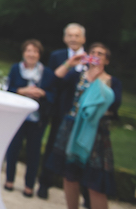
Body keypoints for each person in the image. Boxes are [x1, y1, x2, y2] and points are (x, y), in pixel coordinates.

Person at [46, 42, 122, 209]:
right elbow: (54, 81)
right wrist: (71, 63)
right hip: (71, 127)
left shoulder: (111, 82)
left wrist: (96, 81)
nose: (96, 55)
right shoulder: (78, 75)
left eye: (100, 53)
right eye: (93, 52)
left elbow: (114, 104)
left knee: (95, 182)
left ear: (107, 60)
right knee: (70, 175)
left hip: (96, 133)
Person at [37, 22, 87, 199]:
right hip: (61, 109)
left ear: (83, 39)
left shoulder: (90, 59)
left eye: (77, 35)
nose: (73, 39)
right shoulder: (57, 56)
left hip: (82, 113)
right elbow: (51, 82)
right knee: (52, 146)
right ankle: (44, 183)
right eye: (70, 35)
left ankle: (85, 193)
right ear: (65, 38)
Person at [3, 39, 55, 197]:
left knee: (34, 152)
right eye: (28, 51)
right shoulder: (15, 69)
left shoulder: (46, 73)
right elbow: (8, 88)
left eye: (35, 51)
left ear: (39, 54)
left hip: (37, 119)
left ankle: (29, 185)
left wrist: (42, 93)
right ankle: (9, 179)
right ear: (23, 52)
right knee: (13, 148)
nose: (31, 54)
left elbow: (53, 94)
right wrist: (22, 90)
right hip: (18, 116)